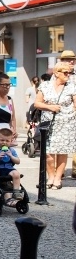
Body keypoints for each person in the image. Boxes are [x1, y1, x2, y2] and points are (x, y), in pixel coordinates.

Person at [34, 61, 76, 189]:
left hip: (67, 124)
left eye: (70, 72)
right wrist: (50, 107)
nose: (68, 75)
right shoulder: (45, 85)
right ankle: (50, 177)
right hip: (49, 124)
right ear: (57, 73)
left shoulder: (72, 86)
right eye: (65, 72)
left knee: (62, 152)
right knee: (48, 153)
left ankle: (57, 179)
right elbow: (37, 104)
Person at [0, 128, 23, 206]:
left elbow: (18, 161)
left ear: (11, 141)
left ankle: (16, 192)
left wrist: (11, 156)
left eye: (7, 141)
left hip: (8, 168)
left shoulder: (12, 150)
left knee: (16, 174)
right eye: (2, 140)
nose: (4, 143)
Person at [60, 50, 76, 179]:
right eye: (68, 59)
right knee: (62, 142)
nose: (71, 61)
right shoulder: (56, 75)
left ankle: (75, 169)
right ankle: (60, 170)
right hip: (62, 114)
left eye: (73, 59)